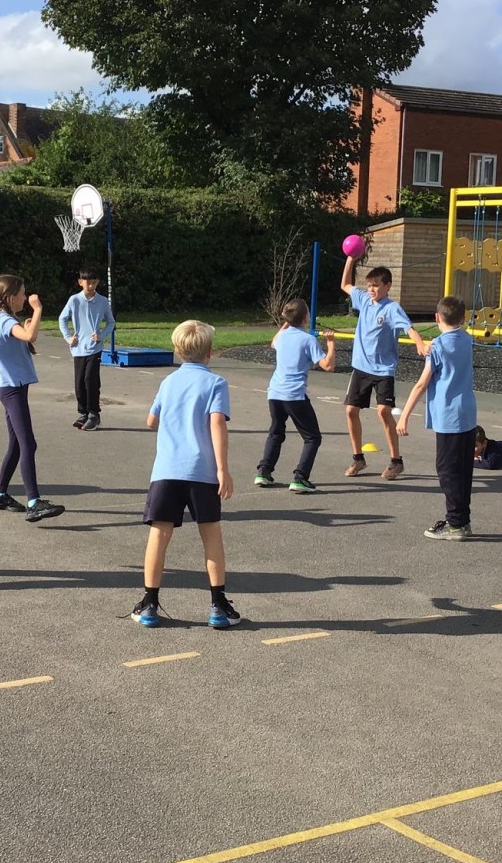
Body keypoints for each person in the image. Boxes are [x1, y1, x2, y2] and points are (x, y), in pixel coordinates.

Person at [132, 320, 238, 629]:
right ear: (210, 352)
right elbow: (217, 423)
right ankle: (218, 606)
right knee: (211, 536)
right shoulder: (215, 383)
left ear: (178, 351)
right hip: (202, 471)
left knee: (159, 535)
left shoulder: (168, 382)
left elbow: (151, 420)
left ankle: (150, 603)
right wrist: (222, 469)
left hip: (167, 470)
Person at [339, 256, 428, 480]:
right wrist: (350, 259)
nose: (371, 289)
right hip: (361, 368)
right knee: (350, 410)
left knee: (383, 412)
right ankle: (358, 458)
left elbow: (409, 328)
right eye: (369, 285)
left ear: (387, 286)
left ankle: (396, 461)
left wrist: (418, 342)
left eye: (376, 285)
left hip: (383, 370)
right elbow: (345, 285)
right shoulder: (363, 300)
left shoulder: (392, 309)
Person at [398, 295, 477, 541]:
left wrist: (404, 416)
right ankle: (462, 520)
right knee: (463, 470)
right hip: (467, 413)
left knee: (447, 470)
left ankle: (456, 524)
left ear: (436, 318)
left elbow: (422, 383)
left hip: (449, 416)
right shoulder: (467, 339)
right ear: (463, 319)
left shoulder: (438, 347)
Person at [0, 274, 66, 522]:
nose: (25, 297)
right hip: (12, 391)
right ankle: (34, 501)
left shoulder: (8, 320)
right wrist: (38, 309)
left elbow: (26, 335)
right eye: (22, 293)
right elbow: (30, 336)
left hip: (15, 389)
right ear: (11, 297)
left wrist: (29, 322)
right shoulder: (4, 322)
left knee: (15, 445)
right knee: (28, 444)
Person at [254, 299, 337, 493]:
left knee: (276, 432)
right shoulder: (308, 340)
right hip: (294, 395)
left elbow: (273, 342)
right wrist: (331, 343)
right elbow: (328, 366)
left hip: (274, 394)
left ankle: (263, 472)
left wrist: (286, 323)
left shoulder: (282, 336)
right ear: (306, 317)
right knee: (312, 438)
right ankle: (300, 477)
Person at [58, 267, 115, 431]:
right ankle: (82, 412)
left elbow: (111, 322)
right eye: (88, 283)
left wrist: (101, 336)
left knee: (91, 380)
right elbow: (62, 319)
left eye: (94, 283)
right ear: (80, 282)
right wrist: (68, 338)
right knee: (79, 383)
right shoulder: (74, 300)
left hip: (94, 348)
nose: (91, 286)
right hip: (78, 349)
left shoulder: (103, 301)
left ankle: (94, 414)